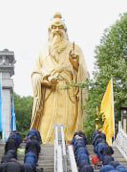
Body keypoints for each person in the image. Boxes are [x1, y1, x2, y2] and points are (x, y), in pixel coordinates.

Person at [29, 12, 89, 142]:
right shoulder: (42, 51)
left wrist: (76, 65)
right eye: (54, 27)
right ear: (49, 30)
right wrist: (47, 82)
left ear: (65, 30)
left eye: (60, 27)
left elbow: (85, 75)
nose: (57, 30)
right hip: (49, 95)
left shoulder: (75, 49)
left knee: (68, 127)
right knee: (46, 131)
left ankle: (72, 142)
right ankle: (44, 142)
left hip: (69, 94)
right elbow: (35, 74)